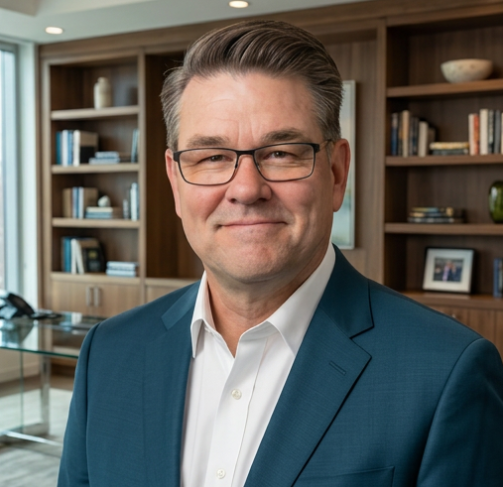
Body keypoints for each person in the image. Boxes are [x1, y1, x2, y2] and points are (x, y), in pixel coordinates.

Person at [58, 20, 503, 487]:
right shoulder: (108, 354)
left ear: (335, 172)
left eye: (282, 153)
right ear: (175, 181)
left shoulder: (446, 372)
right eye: (211, 157)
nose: (246, 189)